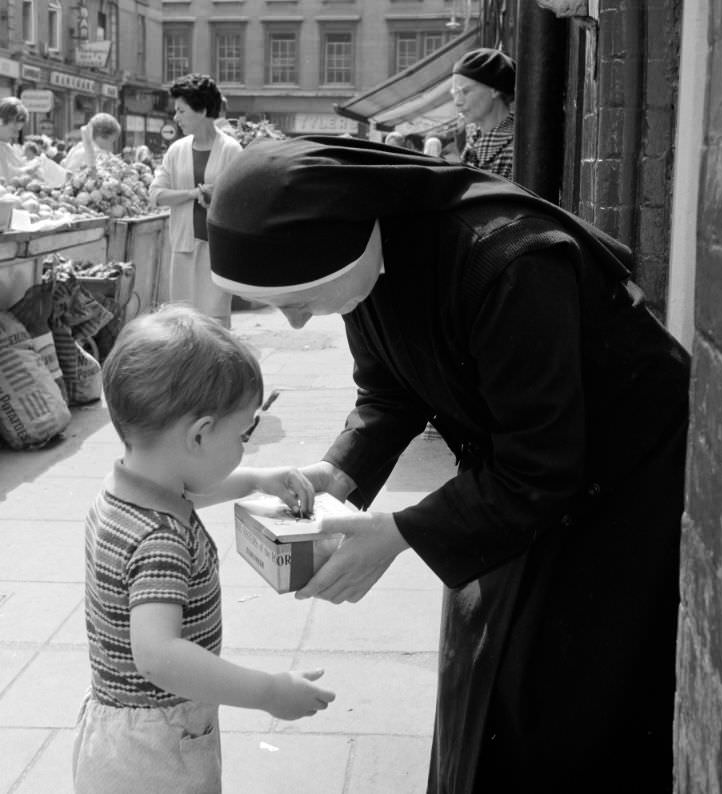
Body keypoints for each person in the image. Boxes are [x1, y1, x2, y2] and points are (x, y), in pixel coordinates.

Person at [206, 136, 691, 794]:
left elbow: (542, 465)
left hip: (620, 494)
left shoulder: (512, 264)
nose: (293, 323)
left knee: (556, 694)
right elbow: (390, 393)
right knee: (482, 676)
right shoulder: (361, 264)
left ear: (349, 245)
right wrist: (336, 477)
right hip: (515, 477)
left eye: (301, 297)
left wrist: (400, 534)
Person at [72, 305, 336, 793]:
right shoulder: (160, 539)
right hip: (156, 749)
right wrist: (268, 692)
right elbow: (157, 655)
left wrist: (259, 479)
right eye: (242, 436)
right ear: (198, 434)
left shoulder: (126, 490)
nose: (245, 449)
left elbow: (194, 491)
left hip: (119, 730)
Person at [150, 74, 242, 328]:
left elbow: (242, 201)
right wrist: (191, 194)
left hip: (216, 252)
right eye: (175, 111)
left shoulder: (231, 151)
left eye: (181, 111)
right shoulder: (176, 150)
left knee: (215, 324)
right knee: (182, 323)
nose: (176, 117)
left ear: (201, 110)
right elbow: (156, 195)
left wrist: (217, 198)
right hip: (182, 248)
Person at [451, 48, 516, 180]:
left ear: (495, 90)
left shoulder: (514, 151)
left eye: (465, 91)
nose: (457, 102)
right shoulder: (474, 143)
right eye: (455, 93)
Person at [0, 97, 39, 181]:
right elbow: (5, 175)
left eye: (18, 131)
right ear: (1, 122)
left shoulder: (5, 145)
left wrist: (32, 165)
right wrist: (28, 170)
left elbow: (15, 167)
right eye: (14, 130)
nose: (17, 135)